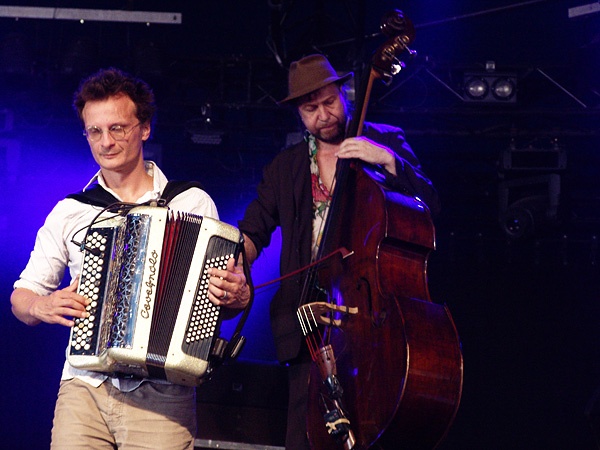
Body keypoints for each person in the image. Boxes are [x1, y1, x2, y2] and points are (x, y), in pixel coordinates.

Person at [10, 67, 249, 450]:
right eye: (95, 131)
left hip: (165, 395)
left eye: (118, 128)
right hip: (84, 388)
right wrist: (42, 304)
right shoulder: (71, 211)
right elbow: (21, 297)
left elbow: (224, 300)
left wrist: (238, 296)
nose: (106, 142)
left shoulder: (192, 203)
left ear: (144, 128)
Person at [237, 54, 441, 449]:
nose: (323, 115)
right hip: (309, 318)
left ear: (345, 94)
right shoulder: (286, 166)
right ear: (299, 112)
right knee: (304, 436)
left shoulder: (384, 139)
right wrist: (233, 264)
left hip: (369, 315)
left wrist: (387, 159)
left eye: (329, 102)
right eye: (310, 108)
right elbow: (253, 229)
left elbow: (431, 204)